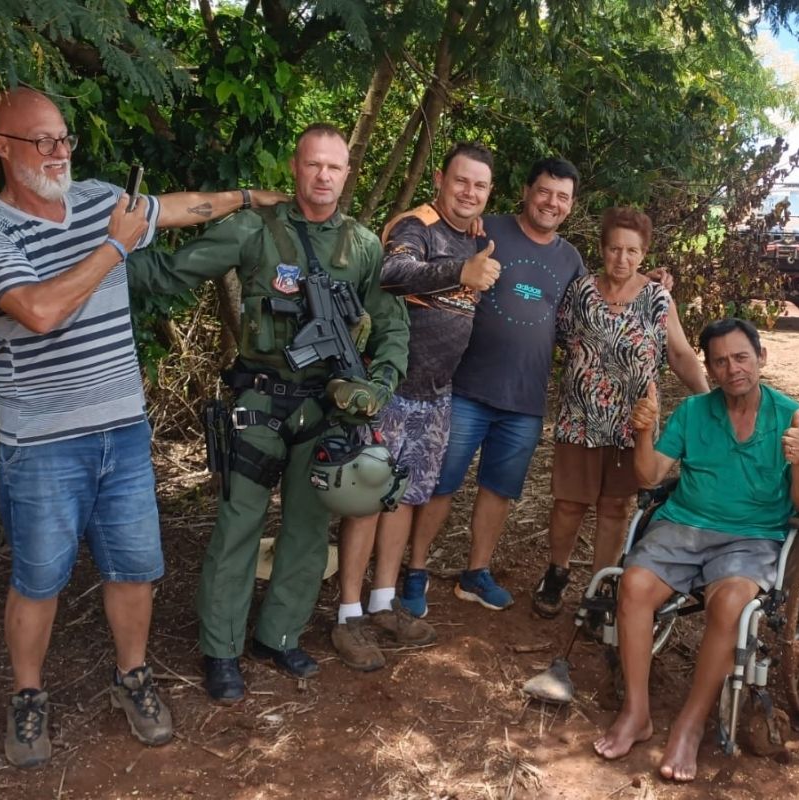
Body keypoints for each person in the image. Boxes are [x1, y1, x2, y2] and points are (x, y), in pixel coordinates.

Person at [0, 87, 290, 768]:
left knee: (135, 569)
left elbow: (179, 207)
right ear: (0, 147)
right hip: (41, 445)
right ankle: (28, 696)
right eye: (41, 141)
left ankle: (132, 678)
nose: (58, 152)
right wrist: (115, 245)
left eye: (63, 138)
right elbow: (40, 311)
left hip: (124, 432)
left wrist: (251, 198)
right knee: (38, 580)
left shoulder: (98, 199)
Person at [126, 123, 409, 701]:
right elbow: (171, 273)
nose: (323, 175)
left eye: (334, 166)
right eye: (314, 164)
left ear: (347, 174)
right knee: (238, 526)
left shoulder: (362, 245)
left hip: (327, 408)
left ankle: (278, 636)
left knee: (308, 529)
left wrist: (379, 385)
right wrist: (109, 251)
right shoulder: (255, 228)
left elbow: (392, 325)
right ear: (295, 167)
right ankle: (221, 649)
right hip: (259, 402)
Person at [593, 317, 799, 782]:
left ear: (761, 358)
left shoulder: (793, 417)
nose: (732, 369)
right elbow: (649, 477)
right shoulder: (694, 411)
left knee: (731, 603)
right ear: (710, 369)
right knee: (633, 585)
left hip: (751, 535)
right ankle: (636, 713)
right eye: (720, 361)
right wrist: (642, 432)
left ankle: (690, 724)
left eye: (741, 357)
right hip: (684, 525)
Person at [330, 142, 499, 670]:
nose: (469, 192)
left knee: (403, 498)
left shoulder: (478, 238)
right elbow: (393, 272)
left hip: (436, 395)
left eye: (479, 185)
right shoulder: (416, 225)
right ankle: (348, 614)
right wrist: (460, 272)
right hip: (390, 389)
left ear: (489, 192)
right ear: (440, 181)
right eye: (461, 181)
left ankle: (383, 603)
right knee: (367, 498)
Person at [401, 157, 587, 614]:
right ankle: (415, 570)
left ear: (571, 204)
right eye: (544, 191)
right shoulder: (487, 230)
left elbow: (588, 311)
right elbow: (439, 258)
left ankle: (476, 573)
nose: (552, 203)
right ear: (526, 191)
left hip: (525, 397)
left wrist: (648, 283)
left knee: (499, 490)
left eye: (562, 197)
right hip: (467, 386)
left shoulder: (570, 259)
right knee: (441, 484)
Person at [531, 207, 709, 619]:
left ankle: (600, 586)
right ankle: (557, 572)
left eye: (631, 251)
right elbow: (554, 338)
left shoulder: (658, 298)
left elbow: (680, 354)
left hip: (634, 426)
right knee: (569, 503)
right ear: (602, 249)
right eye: (614, 249)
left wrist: (707, 399)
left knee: (615, 507)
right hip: (581, 419)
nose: (622, 258)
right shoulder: (580, 292)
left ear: (644, 254)